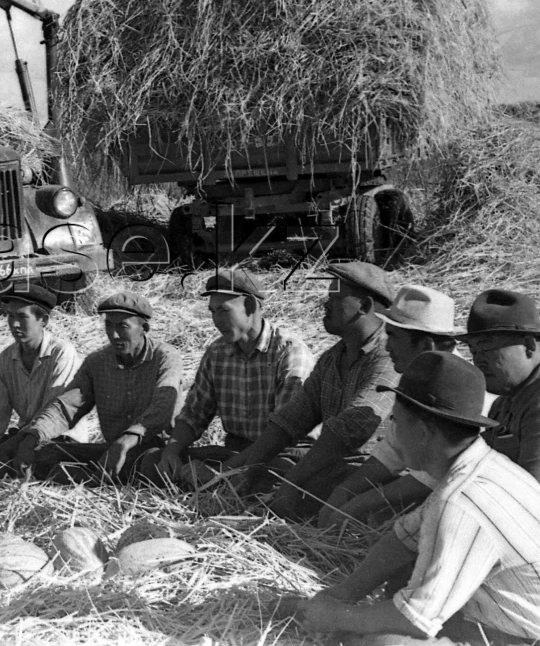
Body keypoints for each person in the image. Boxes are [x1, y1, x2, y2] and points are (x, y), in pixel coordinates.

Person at [291, 352, 540, 645]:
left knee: (378, 642)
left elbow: (414, 620)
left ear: (422, 432)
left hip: (520, 638)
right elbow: (403, 540)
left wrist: (336, 616)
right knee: (387, 597)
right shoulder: (479, 468)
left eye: (396, 421)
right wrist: (343, 594)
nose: (391, 431)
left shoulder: (461, 502)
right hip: (497, 621)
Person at [228, 261, 399, 520]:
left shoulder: (389, 357)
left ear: (363, 306)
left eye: (335, 297)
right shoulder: (332, 358)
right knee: (263, 471)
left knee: (299, 487)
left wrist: (293, 482)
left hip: (370, 474)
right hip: (332, 467)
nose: (325, 304)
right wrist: (244, 463)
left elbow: (349, 430)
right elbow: (292, 419)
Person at [143, 269, 313, 487]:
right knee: (153, 461)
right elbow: (194, 414)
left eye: (223, 310)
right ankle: (219, 486)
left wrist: (222, 473)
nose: (216, 320)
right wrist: (171, 452)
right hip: (236, 452)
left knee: (274, 476)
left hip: (281, 452)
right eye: (212, 311)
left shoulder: (289, 352)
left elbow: (281, 434)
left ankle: (224, 487)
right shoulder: (217, 352)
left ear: (250, 306)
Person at [6, 292, 185, 484]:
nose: (113, 334)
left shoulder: (165, 357)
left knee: (150, 464)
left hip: (156, 450)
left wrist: (127, 440)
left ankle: (84, 478)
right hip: (111, 452)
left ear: (144, 328)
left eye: (123, 326)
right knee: (43, 453)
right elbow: (67, 406)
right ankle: (90, 478)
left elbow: (163, 404)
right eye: (109, 325)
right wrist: (33, 435)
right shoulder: (97, 362)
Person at [319, 285, 460, 529]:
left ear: (426, 345)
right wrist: (343, 493)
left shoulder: (465, 390)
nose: (386, 347)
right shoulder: (416, 377)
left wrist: (359, 503)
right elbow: (392, 450)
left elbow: (433, 476)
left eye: (393, 337)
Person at [0, 283, 84, 463]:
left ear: (43, 320)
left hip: (60, 439)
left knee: (27, 458)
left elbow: (55, 417)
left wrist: (10, 447)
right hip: (25, 437)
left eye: (22, 317)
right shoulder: (6, 359)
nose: (14, 324)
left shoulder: (62, 353)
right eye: (10, 316)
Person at [459, 289, 540, 480]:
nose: (478, 360)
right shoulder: (502, 404)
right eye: (473, 350)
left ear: (528, 346)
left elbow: (532, 495)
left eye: (486, 347)